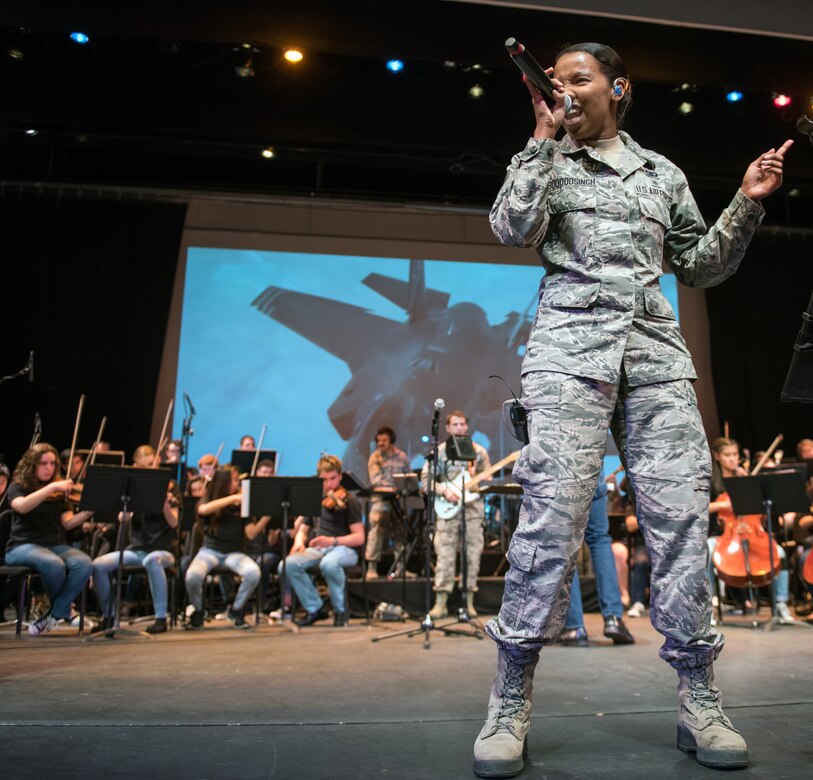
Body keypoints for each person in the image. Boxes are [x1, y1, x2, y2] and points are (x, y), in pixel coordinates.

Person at [473, 41, 792, 777]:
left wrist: (745, 201)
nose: (563, 90)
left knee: (680, 526)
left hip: (654, 363)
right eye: (553, 82)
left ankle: (699, 703)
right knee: (548, 524)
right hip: (566, 360)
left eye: (576, 80)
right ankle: (509, 699)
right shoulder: (546, 160)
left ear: (615, 88)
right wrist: (539, 140)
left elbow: (701, 266)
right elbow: (509, 229)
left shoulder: (662, 175)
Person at [5, 443, 94, 635]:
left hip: (53, 545)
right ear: (32, 465)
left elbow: (67, 524)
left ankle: (53, 614)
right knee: (54, 564)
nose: (49, 468)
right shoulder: (18, 486)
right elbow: (21, 507)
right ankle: (66, 611)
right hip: (21, 546)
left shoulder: (60, 493)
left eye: (52, 464)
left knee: (84, 563)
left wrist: (88, 511)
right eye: (43, 463)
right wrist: (51, 486)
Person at [91, 445, 179, 635]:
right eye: (146, 466)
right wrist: (130, 505)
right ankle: (109, 616)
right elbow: (123, 519)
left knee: (152, 560)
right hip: (136, 549)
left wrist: (164, 505)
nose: (152, 470)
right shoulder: (132, 489)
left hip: (164, 551)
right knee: (98, 565)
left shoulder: (170, 486)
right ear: (137, 467)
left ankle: (161, 618)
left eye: (153, 465)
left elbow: (174, 523)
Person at [280, 454, 365, 627]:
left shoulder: (350, 500)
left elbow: (359, 537)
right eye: (324, 479)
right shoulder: (315, 499)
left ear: (340, 476)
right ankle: (316, 608)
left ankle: (341, 611)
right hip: (320, 548)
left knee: (329, 564)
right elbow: (304, 528)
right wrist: (299, 541)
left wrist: (332, 541)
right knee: (287, 564)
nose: (329, 484)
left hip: (344, 549)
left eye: (333, 479)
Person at [421, 410, 490, 619]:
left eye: (462, 424)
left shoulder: (479, 452)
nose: (460, 427)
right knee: (445, 553)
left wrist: (476, 481)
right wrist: (444, 491)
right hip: (448, 508)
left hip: (472, 509)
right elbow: (426, 480)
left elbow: (487, 481)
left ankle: (468, 601)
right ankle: (440, 603)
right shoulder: (440, 452)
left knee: (472, 554)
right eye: (455, 424)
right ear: (448, 428)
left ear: (467, 427)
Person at [556, 467, 634, 646]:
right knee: (600, 540)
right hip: (592, 468)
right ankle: (614, 620)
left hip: (561, 469)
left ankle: (574, 626)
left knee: (565, 544)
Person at [184, 465, 260, 629]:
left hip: (234, 553)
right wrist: (232, 499)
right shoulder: (213, 499)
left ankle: (236, 609)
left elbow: (251, 533)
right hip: (209, 551)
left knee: (253, 572)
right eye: (233, 480)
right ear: (224, 482)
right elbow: (203, 509)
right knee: (193, 576)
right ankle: (198, 611)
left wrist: (266, 516)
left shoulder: (242, 503)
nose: (237, 483)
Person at [365, 426, 411, 579]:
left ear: (391, 440)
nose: (381, 443)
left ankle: (401, 567)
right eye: (378, 440)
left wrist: (405, 488)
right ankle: (372, 568)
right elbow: (376, 480)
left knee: (401, 532)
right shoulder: (375, 457)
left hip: (398, 501)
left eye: (384, 440)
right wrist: (392, 488)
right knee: (376, 532)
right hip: (381, 500)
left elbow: (408, 477)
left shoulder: (401, 456)